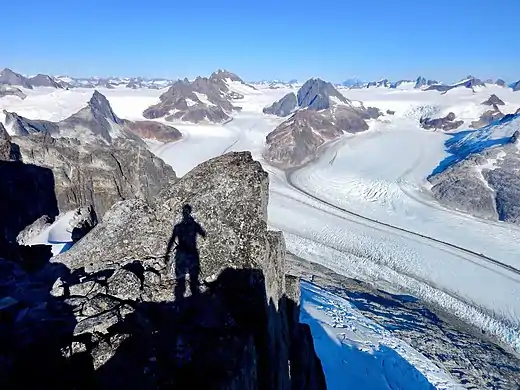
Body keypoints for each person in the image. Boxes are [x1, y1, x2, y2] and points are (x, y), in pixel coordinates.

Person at [165, 204, 206, 299]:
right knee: (193, 278)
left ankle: (181, 302)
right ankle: (195, 300)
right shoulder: (194, 225)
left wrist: (167, 253)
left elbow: (172, 240)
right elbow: (203, 234)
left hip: (182, 253)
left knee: (181, 279)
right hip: (191, 253)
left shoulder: (178, 226)